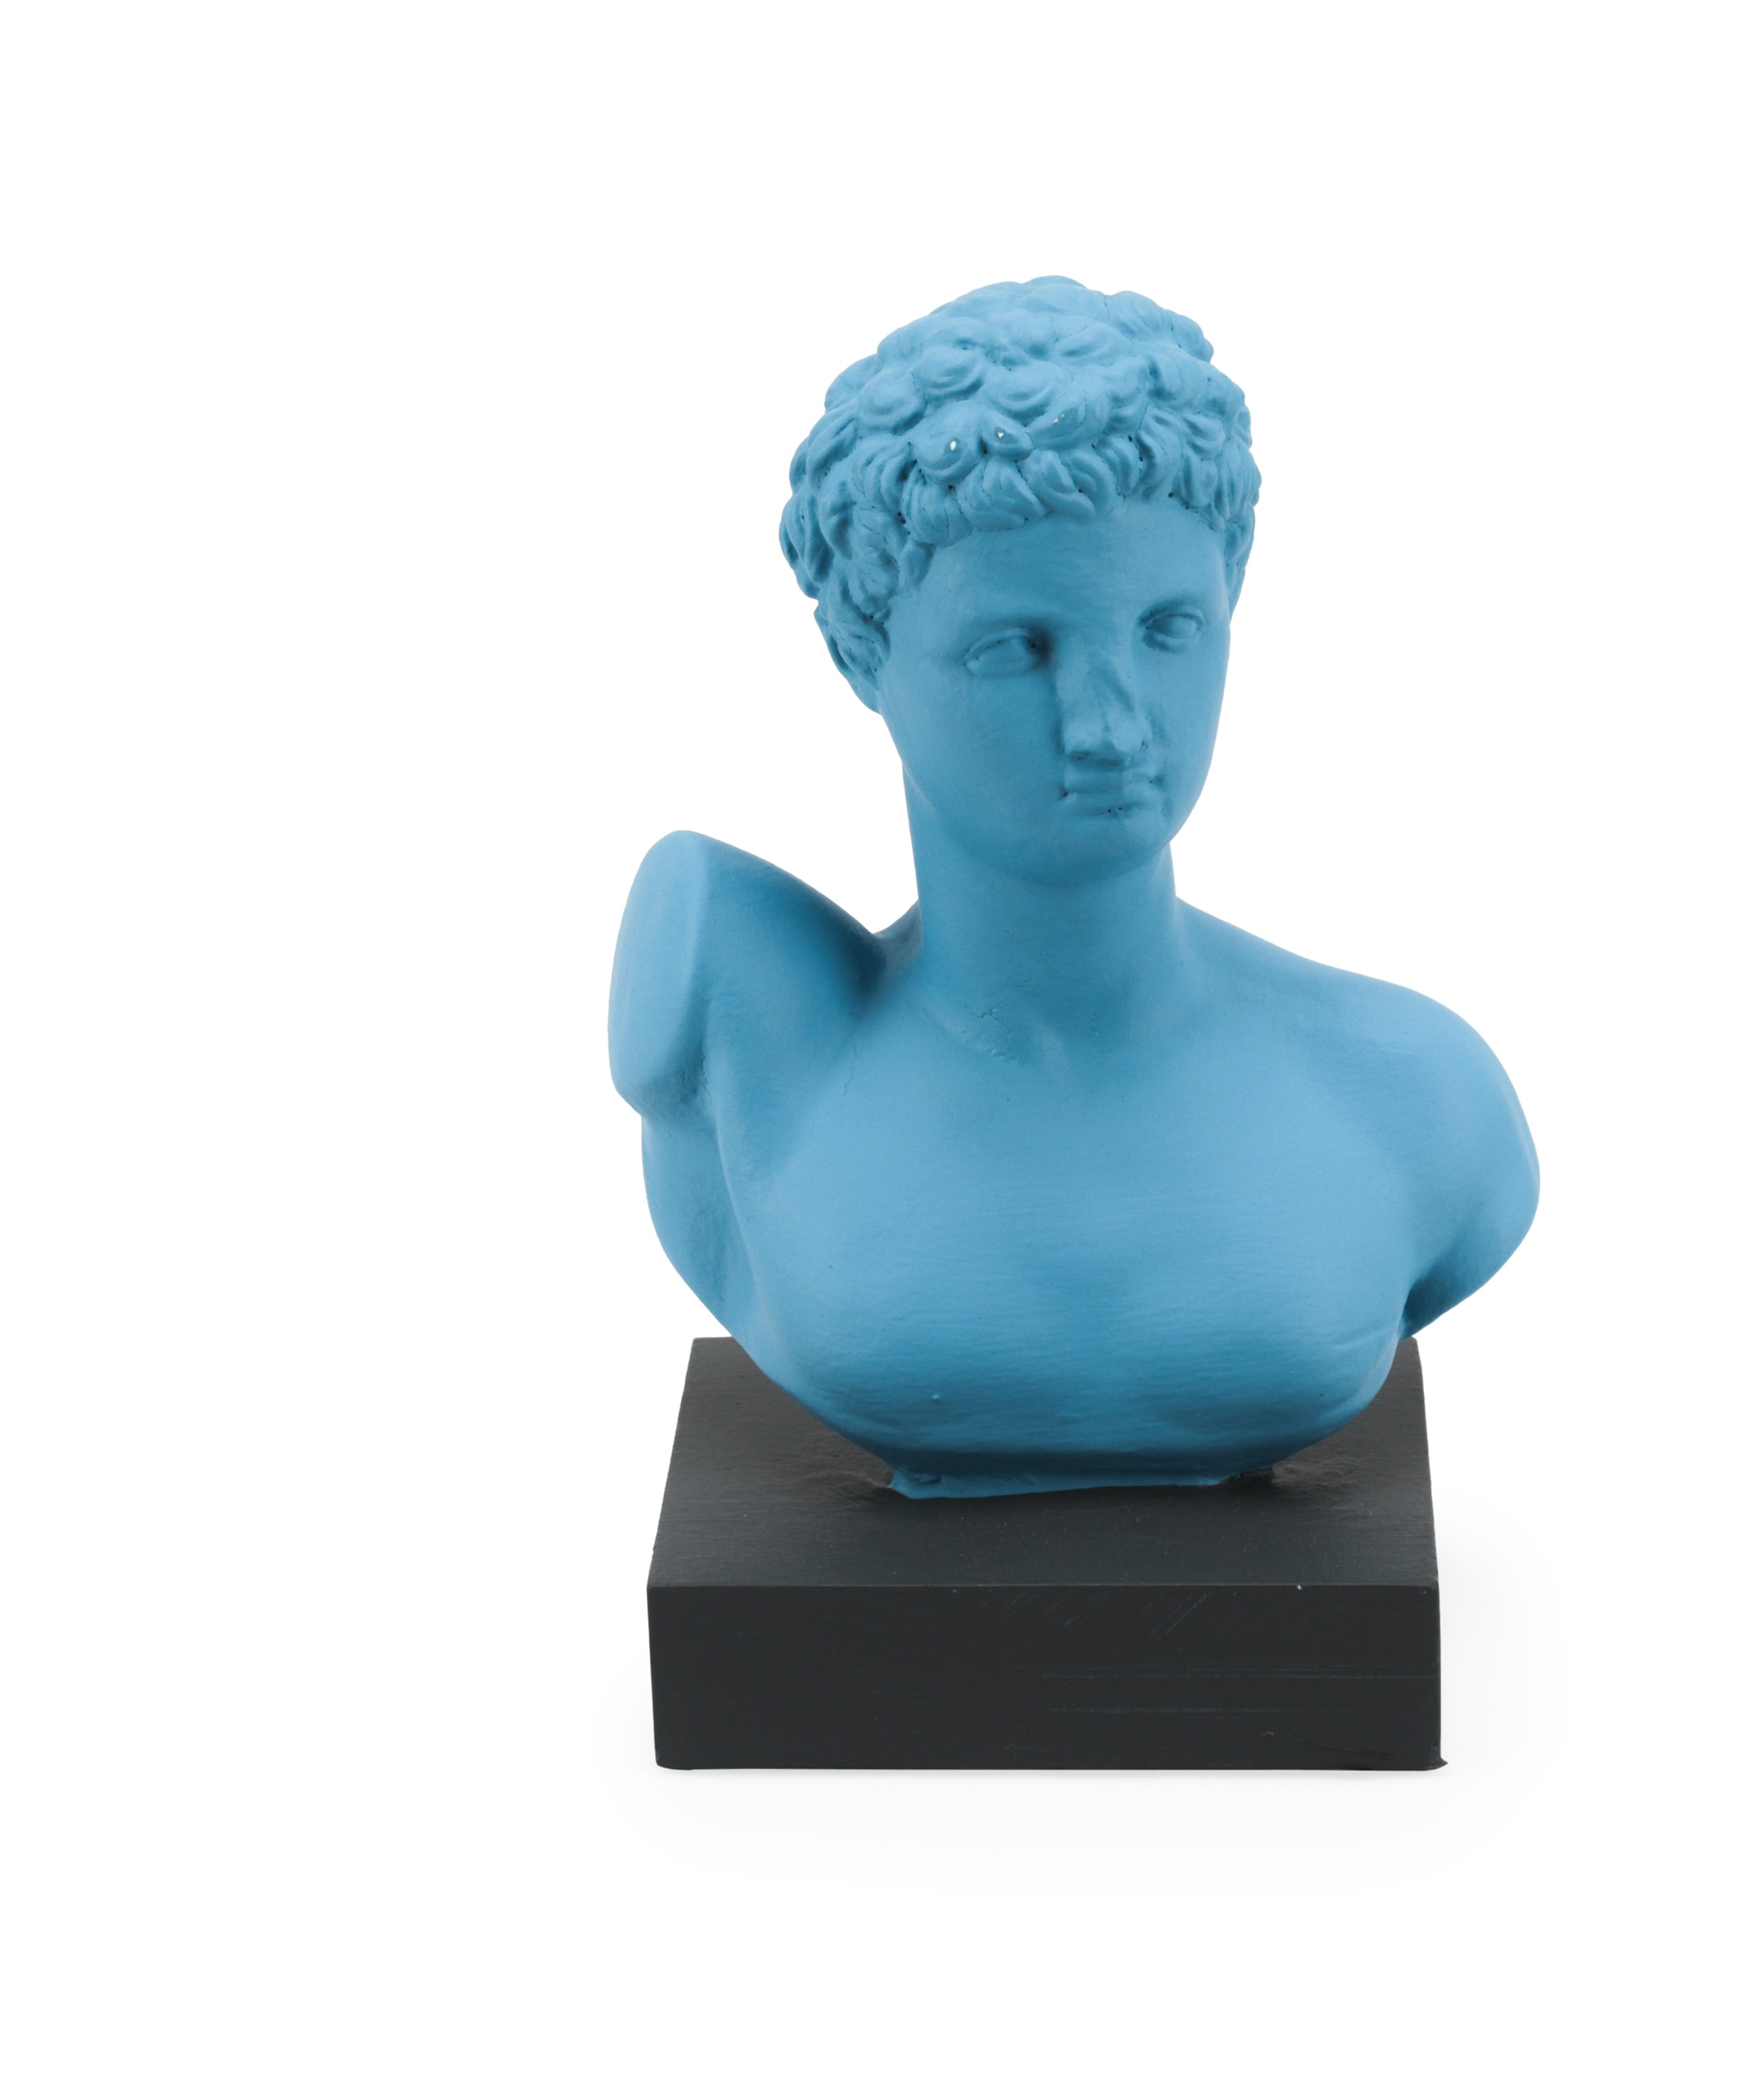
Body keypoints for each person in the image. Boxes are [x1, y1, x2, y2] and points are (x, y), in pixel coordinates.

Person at [611, 278, 1537, 1496]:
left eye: (1168, 630)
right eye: (1017, 649)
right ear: (860, 653)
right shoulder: (749, 1057)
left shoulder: (1419, 1097)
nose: (1111, 725)